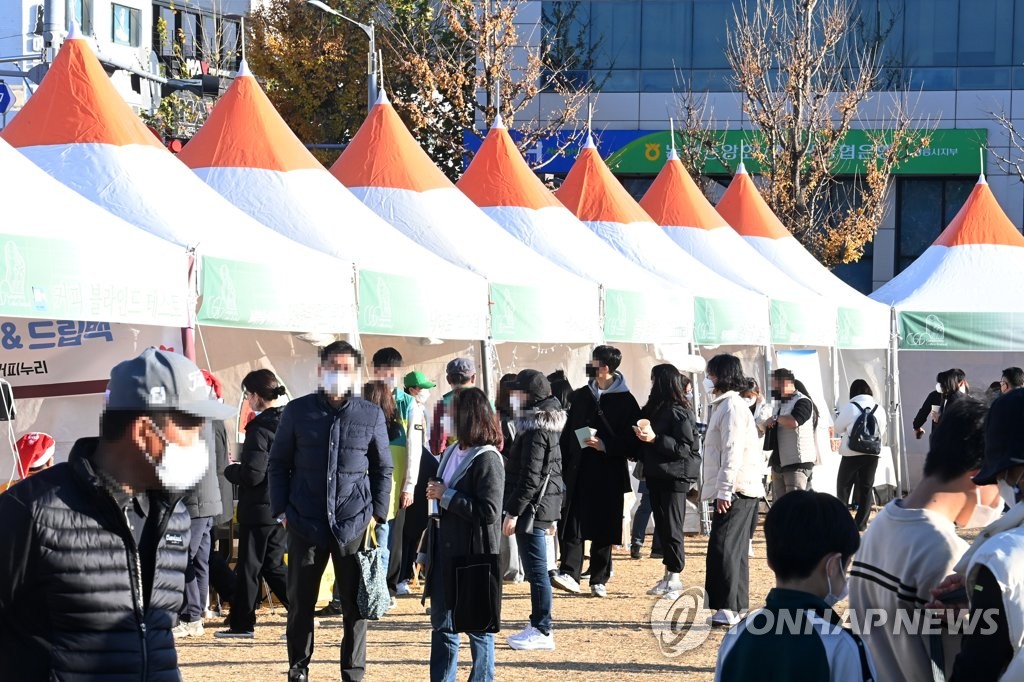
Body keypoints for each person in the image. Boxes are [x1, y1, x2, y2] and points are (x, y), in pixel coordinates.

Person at [0, 347, 234, 679]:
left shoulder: (175, 517)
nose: (200, 443)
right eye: (190, 428)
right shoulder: (33, 511)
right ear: (143, 433)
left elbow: (154, 639)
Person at [269, 340, 393, 682]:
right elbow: (278, 464)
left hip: (353, 523)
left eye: (345, 368)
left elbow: (383, 468)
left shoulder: (370, 414)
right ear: (320, 371)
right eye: (332, 368)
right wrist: (281, 510)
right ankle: (299, 668)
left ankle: (353, 672)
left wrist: (377, 513)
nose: (338, 374)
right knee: (300, 605)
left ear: (354, 373)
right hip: (304, 522)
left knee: (354, 608)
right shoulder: (297, 411)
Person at [848, 396, 992, 681]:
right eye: (1002, 481)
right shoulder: (949, 554)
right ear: (978, 477)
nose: (1003, 499)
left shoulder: (881, 524)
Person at [715, 490, 876, 681]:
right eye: (846, 566)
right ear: (833, 566)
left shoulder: (736, 635)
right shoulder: (842, 644)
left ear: (770, 560)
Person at [931, 389, 1024, 680]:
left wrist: (988, 588)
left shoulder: (1003, 558)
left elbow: (977, 668)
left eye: (1001, 474)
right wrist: (981, 603)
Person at [425, 387, 504, 681]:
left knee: (477, 627)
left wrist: (447, 496)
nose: (447, 419)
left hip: (474, 554)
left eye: (452, 413)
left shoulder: (487, 458)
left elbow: (490, 512)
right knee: (442, 626)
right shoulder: (449, 452)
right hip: (443, 551)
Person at [552, 345, 641, 599]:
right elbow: (570, 431)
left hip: (609, 470)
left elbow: (632, 441)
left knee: (605, 523)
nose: (588, 367)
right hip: (579, 468)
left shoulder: (626, 401)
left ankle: (599, 577)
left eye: (593, 363)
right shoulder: (581, 395)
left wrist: (605, 445)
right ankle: (569, 571)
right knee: (573, 521)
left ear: (604, 368)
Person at [216, 369, 291, 638]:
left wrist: (230, 470)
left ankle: (242, 623)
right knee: (272, 564)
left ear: (258, 396)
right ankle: (300, 612)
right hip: (279, 504)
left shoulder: (259, 429)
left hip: (258, 507)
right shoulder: (286, 421)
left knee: (249, 568)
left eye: (248, 394)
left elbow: (253, 474)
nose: (247, 399)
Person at [502, 370, 565, 652]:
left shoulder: (538, 426)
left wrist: (513, 511)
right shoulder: (543, 421)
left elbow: (532, 475)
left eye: (518, 391)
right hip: (541, 505)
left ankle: (543, 628)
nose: (512, 395)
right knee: (537, 569)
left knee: (537, 571)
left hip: (533, 508)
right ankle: (538, 624)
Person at [702, 353, 765, 627]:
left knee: (723, 545)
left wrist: (724, 490)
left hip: (736, 487)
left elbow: (731, 450)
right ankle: (736, 606)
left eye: (711, 374)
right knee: (735, 549)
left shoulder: (731, 407)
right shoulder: (729, 405)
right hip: (742, 486)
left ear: (721, 376)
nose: (708, 379)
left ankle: (727, 606)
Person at [634, 364, 701, 596]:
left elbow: (685, 448)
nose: (652, 384)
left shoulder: (679, 411)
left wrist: (655, 439)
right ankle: (668, 575)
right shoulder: (655, 408)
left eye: (654, 380)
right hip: (656, 473)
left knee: (672, 527)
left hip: (675, 476)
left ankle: (675, 576)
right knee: (663, 527)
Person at [173, 369, 226, 638]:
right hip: (206, 499)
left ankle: (192, 616)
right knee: (200, 560)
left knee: (184, 559)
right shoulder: (207, 415)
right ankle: (198, 613)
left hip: (193, 501)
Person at [394, 370, 436, 596]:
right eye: (423, 388)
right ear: (411, 390)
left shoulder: (421, 410)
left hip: (421, 473)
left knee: (415, 527)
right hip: (412, 476)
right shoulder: (407, 408)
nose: (427, 392)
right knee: (405, 529)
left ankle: (408, 573)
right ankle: (401, 575)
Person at [834, 379, 888, 531]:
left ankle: (842, 522)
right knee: (866, 488)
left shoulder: (851, 407)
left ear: (853, 392)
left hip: (851, 452)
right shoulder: (880, 408)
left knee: (844, 487)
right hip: (872, 453)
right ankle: (861, 523)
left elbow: (838, 427)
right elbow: (881, 430)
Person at [762, 368, 816, 499]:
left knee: (795, 507)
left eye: (775, 385)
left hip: (797, 463)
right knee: (781, 508)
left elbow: (794, 421)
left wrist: (775, 418)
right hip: (779, 464)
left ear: (785, 382)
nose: (773, 389)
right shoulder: (781, 403)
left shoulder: (803, 401)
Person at [430, 357, 478, 455]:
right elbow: (499, 444)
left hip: (453, 462)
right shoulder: (486, 403)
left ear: (448, 379)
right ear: (473, 378)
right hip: (482, 460)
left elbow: (437, 447)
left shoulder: (444, 405)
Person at [913, 371, 946, 440]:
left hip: (938, 437)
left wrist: (916, 426)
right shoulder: (959, 397)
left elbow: (923, 412)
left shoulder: (934, 395)